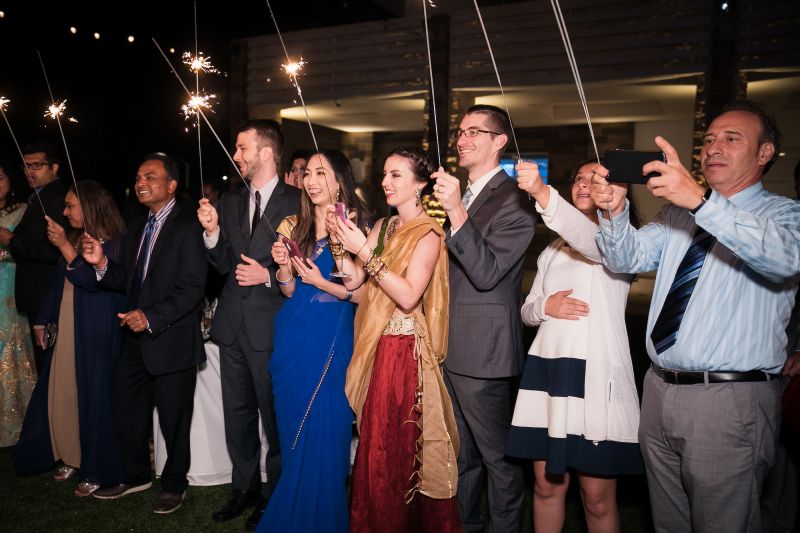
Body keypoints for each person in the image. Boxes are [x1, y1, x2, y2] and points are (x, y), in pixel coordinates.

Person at [588, 99, 800, 532]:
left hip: (729, 402)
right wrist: (612, 211)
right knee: (668, 523)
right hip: (661, 389)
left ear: (764, 154)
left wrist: (702, 201)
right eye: (708, 140)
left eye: (731, 138)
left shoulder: (784, 214)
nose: (713, 147)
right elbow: (625, 257)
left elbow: (783, 259)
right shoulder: (677, 214)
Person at [507, 160, 643, 532]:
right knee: (547, 488)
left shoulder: (621, 242)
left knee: (597, 499)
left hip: (594, 378)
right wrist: (543, 307)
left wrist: (539, 192)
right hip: (547, 374)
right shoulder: (552, 249)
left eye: (596, 178)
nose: (584, 184)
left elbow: (589, 239)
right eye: (579, 177)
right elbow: (527, 310)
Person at [332, 145, 460, 532]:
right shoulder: (383, 228)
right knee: (374, 449)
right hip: (375, 347)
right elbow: (355, 280)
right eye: (384, 174)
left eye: (395, 175)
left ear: (420, 184)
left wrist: (362, 251)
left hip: (404, 355)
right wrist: (341, 245)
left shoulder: (429, 233)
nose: (385, 182)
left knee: (400, 448)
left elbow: (407, 295)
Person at [82, 153, 207, 515]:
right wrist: (102, 264)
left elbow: (191, 289)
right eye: (138, 177)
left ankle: (174, 484)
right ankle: (136, 475)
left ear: (171, 185)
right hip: (135, 340)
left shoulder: (188, 226)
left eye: (150, 177)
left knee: (173, 419)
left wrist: (149, 317)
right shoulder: (138, 224)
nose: (141, 182)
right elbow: (131, 282)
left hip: (171, 339)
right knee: (125, 409)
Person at [431, 104, 536, 532]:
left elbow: (488, 272)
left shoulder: (518, 200)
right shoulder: (463, 196)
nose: (462, 139)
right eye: (460, 131)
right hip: (447, 344)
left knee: (499, 461)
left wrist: (456, 212)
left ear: (499, 142)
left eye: (475, 131)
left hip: (485, 351)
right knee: (462, 457)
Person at [257, 149, 368, 533]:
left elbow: (361, 292)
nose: (311, 180)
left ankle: (321, 519)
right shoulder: (294, 224)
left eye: (322, 173)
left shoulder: (357, 224)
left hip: (331, 336)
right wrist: (284, 268)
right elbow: (288, 291)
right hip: (291, 335)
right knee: (292, 433)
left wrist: (337, 252)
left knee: (325, 430)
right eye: (308, 173)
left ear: (340, 179)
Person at [197, 120, 301, 528]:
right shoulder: (230, 199)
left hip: (273, 325)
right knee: (237, 413)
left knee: (274, 416)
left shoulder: (298, 200)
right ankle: (243, 488)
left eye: (242, 148)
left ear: (266, 152)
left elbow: (308, 262)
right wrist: (211, 233)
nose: (236, 156)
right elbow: (222, 264)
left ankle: (274, 492)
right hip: (230, 326)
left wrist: (271, 277)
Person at [14, 181, 126, 497]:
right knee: (62, 391)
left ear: (90, 207)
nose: (65, 211)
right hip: (68, 324)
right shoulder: (75, 237)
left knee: (93, 397)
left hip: (96, 327)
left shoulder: (114, 241)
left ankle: (96, 465)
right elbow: (58, 282)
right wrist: (41, 319)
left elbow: (91, 281)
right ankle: (71, 454)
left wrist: (65, 245)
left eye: (70, 206)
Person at [0, 141, 68, 372]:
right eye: (25, 166)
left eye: (36, 165)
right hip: (34, 294)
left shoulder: (56, 199)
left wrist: (11, 241)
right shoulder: (38, 197)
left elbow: (52, 251)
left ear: (55, 168)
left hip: (44, 294)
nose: (29, 171)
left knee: (48, 363)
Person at [0, 160, 36, 447]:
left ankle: (17, 423)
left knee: (10, 346)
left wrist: (8, 243)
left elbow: (29, 250)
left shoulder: (22, 210)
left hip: (9, 285)